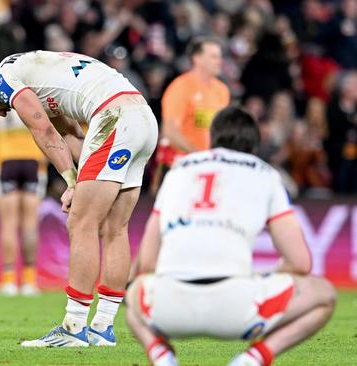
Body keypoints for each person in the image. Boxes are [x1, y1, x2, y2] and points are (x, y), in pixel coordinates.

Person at [0, 50, 158, 347]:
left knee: (81, 222)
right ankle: (102, 327)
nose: (2, 114)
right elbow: (72, 131)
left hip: (115, 116)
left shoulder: (3, 80)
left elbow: (44, 130)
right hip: (142, 117)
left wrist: (72, 182)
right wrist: (83, 177)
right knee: (115, 227)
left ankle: (74, 326)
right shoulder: (26, 69)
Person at [126, 106, 336, 366]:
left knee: (133, 289)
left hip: (169, 308)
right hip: (236, 309)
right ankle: (251, 359)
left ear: (212, 140)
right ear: (254, 146)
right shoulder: (265, 174)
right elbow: (301, 263)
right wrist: (264, 275)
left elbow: (146, 263)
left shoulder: (178, 171)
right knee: (324, 294)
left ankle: (162, 356)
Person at [0, 111, 47, 296]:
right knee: (31, 224)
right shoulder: (35, 96)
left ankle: (8, 281)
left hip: (6, 160)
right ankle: (30, 281)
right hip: (34, 160)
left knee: (8, 224)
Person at [151, 37, 230, 194]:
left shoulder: (222, 90)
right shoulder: (181, 87)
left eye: (219, 56)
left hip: (208, 167)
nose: (219, 61)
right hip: (178, 164)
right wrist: (199, 155)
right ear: (197, 58)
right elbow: (170, 130)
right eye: (213, 56)